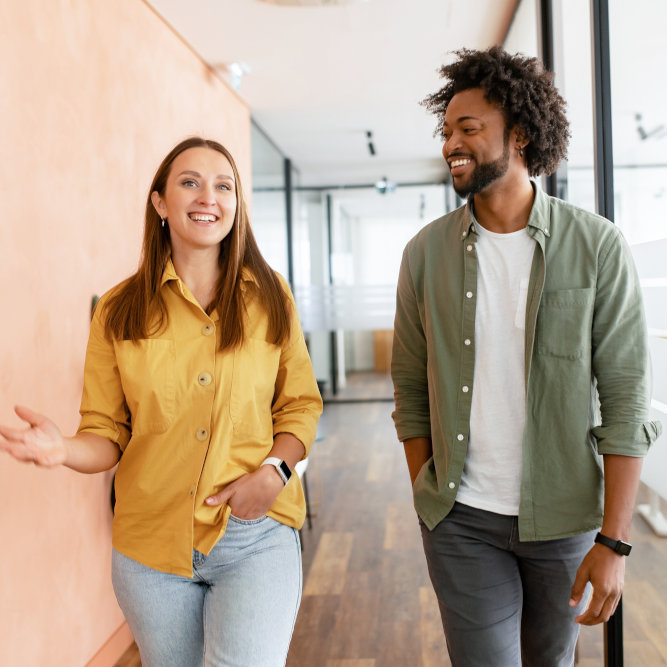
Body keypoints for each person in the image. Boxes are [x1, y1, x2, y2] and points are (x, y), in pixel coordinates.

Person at [0, 137, 322, 666]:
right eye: (189, 182)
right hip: (149, 546)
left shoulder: (270, 296)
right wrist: (62, 449)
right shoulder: (119, 310)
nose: (208, 197)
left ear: (236, 204)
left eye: (224, 186)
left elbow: (300, 406)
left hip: (254, 535)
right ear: (160, 203)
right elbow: (106, 435)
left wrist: (274, 474)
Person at [391, 47, 661, 666]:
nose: (450, 144)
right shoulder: (424, 254)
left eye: (468, 129)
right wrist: (428, 497)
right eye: (446, 131)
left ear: (520, 135)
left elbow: (625, 396)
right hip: (462, 518)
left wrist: (614, 542)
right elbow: (409, 385)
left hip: (564, 519)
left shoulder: (596, 246)